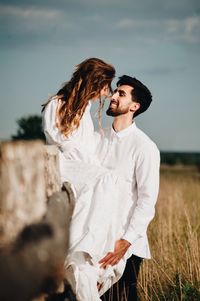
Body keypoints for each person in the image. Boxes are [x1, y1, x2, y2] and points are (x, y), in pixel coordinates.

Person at [42, 59, 135, 301]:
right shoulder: (57, 104)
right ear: (94, 82)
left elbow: (89, 148)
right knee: (106, 178)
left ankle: (94, 248)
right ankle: (80, 246)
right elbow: (62, 141)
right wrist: (93, 167)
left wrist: (93, 165)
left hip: (83, 167)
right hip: (64, 165)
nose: (106, 93)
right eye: (104, 86)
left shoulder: (83, 112)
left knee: (111, 181)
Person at [95, 75, 160, 301]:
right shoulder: (96, 139)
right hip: (95, 241)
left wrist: (126, 241)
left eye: (120, 94)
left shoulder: (145, 147)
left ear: (135, 106)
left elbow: (146, 201)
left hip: (125, 247)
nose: (112, 96)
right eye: (115, 91)